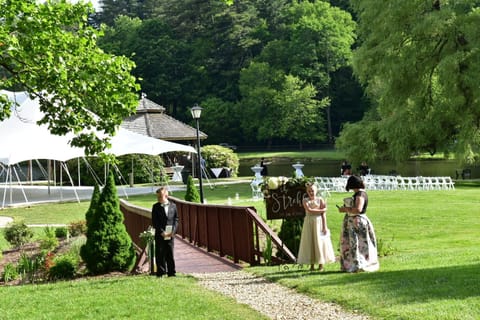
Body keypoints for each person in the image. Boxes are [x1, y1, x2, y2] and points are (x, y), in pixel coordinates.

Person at [337, 175, 379, 273]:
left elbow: (358, 209)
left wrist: (345, 209)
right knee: (361, 243)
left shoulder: (360, 195)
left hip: (356, 221)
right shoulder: (361, 194)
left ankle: (357, 264)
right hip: (356, 220)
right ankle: (357, 263)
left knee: (356, 243)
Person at [297, 183, 335, 271]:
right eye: (309, 191)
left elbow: (323, 215)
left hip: (319, 223)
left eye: (312, 191)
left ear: (316, 191)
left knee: (319, 242)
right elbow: (310, 210)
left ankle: (321, 264)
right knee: (310, 242)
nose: (311, 192)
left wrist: (325, 226)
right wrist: (323, 209)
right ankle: (312, 265)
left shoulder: (320, 200)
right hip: (309, 222)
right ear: (307, 191)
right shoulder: (305, 200)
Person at [151, 186, 179, 277]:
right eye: (157, 197)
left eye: (160, 197)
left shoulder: (173, 206)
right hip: (160, 234)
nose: (158, 198)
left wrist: (173, 231)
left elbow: (176, 219)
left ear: (166, 196)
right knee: (160, 253)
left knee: (170, 253)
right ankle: (161, 272)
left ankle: (172, 272)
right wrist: (161, 231)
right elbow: (155, 221)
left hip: (170, 234)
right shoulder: (155, 207)